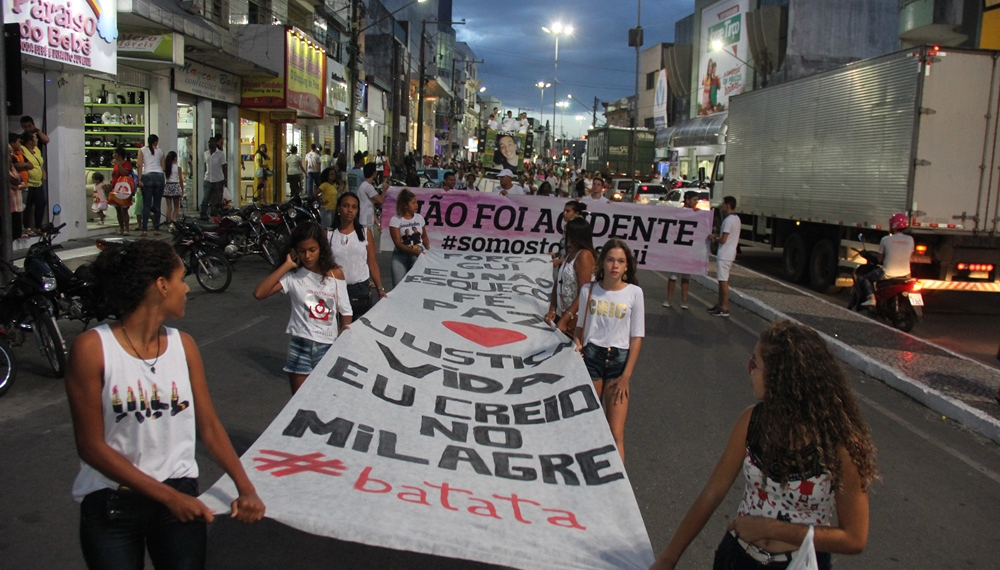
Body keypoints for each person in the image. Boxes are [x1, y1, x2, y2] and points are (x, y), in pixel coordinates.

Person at [65, 239, 265, 570]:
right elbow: (91, 447)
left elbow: (210, 428)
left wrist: (246, 488)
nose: (186, 288)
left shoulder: (183, 346)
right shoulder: (92, 349)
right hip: (113, 504)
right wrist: (170, 498)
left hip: (179, 495)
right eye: (181, 278)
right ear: (161, 286)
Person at [650, 320, 878, 570]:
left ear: (782, 377)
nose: (749, 370)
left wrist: (772, 528)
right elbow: (712, 492)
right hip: (738, 558)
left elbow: (854, 538)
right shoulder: (752, 421)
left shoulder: (841, 445)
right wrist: (668, 558)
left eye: (755, 364)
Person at [565, 238, 644, 462]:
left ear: (627, 266)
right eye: (610, 260)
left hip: (618, 361)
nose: (615, 265)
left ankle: (617, 489)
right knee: (587, 426)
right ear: (603, 263)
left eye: (620, 261)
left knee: (615, 432)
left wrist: (626, 377)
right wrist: (577, 343)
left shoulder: (635, 294)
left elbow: (637, 337)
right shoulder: (589, 290)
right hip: (591, 357)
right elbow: (580, 327)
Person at [253, 222, 352, 393]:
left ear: (321, 248)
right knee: (298, 403)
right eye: (302, 251)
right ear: (294, 251)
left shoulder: (335, 274)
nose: (307, 256)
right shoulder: (292, 276)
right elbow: (260, 293)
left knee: (325, 400)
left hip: (328, 346)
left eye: (312, 250)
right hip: (300, 346)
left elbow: (346, 310)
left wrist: (344, 333)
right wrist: (287, 265)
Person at [329, 192, 387, 318]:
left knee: (357, 331)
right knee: (336, 332)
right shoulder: (329, 234)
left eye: (354, 207)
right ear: (338, 208)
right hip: (334, 288)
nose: (350, 210)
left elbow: (372, 262)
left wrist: (379, 288)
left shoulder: (365, 232)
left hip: (360, 289)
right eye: (346, 206)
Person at [546, 217, 596, 337]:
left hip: (574, 320)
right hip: (560, 314)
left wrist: (566, 318)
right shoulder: (570, 254)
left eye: (566, 233)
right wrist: (552, 309)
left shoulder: (584, 255)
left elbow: (584, 291)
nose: (564, 236)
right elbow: (558, 283)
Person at [861, 213, 915, 307]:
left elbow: (880, 258)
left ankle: (872, 299)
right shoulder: (910, 239)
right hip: (906, 274)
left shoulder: (885, 239)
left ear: (892, 225)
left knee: (865, 278)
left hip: (888, 273)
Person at [663, 191, 700, 309]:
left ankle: (684, 301)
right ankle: (669, 299)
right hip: (677, 250)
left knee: (686, 277)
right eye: (694, 200)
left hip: (688, 251)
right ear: (687, 200)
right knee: (673, 276)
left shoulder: (697, 214)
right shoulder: (678, 213)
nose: (696, 202)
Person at [389, 188, 430, 287]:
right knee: (398, 287)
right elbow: (398, 243)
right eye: (413, 203)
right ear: (405, 205)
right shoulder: (396, 220)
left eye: (416, 202)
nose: (417, 205)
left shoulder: (419, 218)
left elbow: (424, 236)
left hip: (417, 256)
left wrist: (428, 250)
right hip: (400, 257)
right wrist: (416, 252)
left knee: (415, 286)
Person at [708, 195, 739, 317]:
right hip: (729, 253)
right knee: (721, 280)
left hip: (725, 253)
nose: (722, 205)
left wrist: (714, 238)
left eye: (723, 203)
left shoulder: (728, 221)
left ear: (728, 205)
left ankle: (725, 307)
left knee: (723, 282)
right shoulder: (736, 219)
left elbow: (724, 239)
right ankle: (719, 304)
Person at [136, 134, 166, 236]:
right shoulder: (161, 151)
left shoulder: (142, 150)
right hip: (159, 176)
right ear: (156, 142)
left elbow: (139, 165)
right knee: (157, 204)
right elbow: (163, 167)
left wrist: (139, 179)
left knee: (147, 204)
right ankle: (156, 229)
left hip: (147, 176)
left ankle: (144, 229)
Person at [20, 130, 46, 234]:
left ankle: (38, 226)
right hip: (28, 183)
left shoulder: (37, 149)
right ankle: (27, 227)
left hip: (38, 182)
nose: (37, 139)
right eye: (35, 138)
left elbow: (40, 164)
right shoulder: (23, 150)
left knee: (41, 203)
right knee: (27, 206)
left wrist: (43, 173)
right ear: (30, 141)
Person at [107, 146, 136, 235]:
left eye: (115, 153)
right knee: (118, 209)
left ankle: (127, 228)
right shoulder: (115, 165)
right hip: (116, 187)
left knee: (124, 209)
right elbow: (115, 176)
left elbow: (125, 173)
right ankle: (121, 228)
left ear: (119, 155)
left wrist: (119, 165)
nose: (113, 155)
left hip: (125, 188)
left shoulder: (126, 164)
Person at [9, 133, 30, 239]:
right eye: (9, 153)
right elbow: (16, 179)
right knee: (10, 233)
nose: (11, 155)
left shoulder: (11, 165)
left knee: (15, 233)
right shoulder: (6, 167)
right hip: (9, 205)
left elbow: (20, 179)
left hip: (16, 204)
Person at [199, 138, 227, 220]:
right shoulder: (206, 154)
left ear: (215, 143)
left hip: (218, 179)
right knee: (206, 198)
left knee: (219, 199)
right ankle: (203, 214)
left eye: (211, 142)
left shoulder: (221, 154)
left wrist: (225, 179)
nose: (209, 144)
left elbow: (224, 166)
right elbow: (205, 166)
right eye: (209, 142)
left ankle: (218, 214)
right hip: (208, 179)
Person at [357, 162, 386, 232]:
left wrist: (378, 224)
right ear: (374, 173)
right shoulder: (368, 187)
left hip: (367, 222)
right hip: (365, 223)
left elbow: (371, 208)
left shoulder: (364, 185)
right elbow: (380, 201)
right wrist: (384, 190)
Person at [162, 151, 184, 224]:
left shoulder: (166, 167)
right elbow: (181, 180)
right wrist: (182, 190)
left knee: (169, 207)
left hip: (168, 185)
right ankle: (174, 221)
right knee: (176, 207)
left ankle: (168, 221)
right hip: (175, 186)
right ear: (174, 158)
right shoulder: (178, 168)